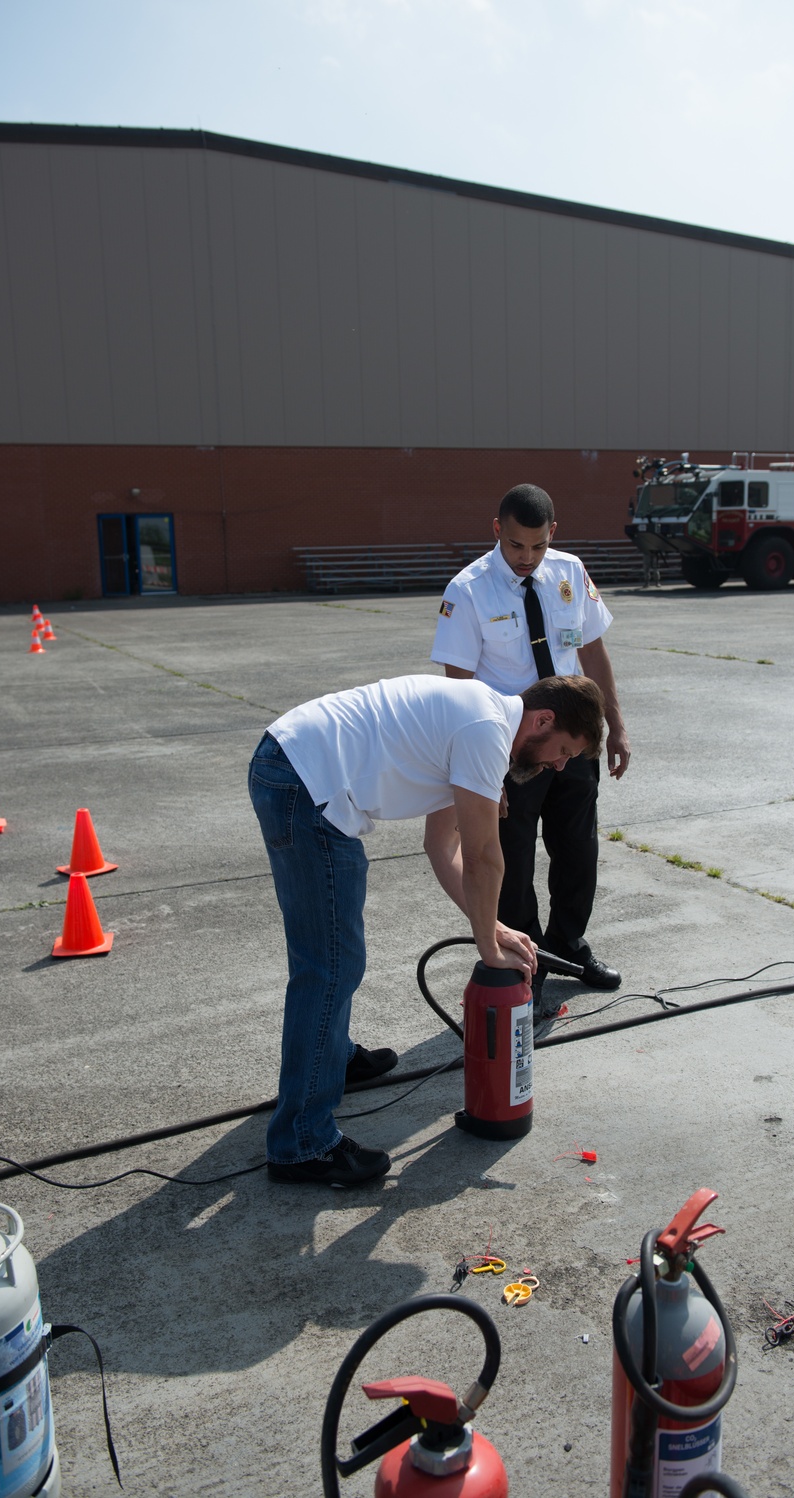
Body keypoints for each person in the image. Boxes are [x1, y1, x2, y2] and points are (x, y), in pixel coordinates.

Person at [249, 672, 605, 1187]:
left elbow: (443, 848)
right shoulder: (484, 729)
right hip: (304, 781)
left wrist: (494, 926)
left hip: (298, 768)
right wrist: (488, 944)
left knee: (331, 952)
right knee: (329, 961)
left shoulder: (479, 724)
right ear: (543, 720)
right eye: (564, 749)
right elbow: (485, 856)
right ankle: (301, 1142)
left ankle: (329, 1058)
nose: (559, 764)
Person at [431, 483, 630, 1005]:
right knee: (512, 857)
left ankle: (570, 942)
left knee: (577, 845)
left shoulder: (568, 572)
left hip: (571, 739)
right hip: (512, 748)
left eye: (538, 545)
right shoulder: (469, 590)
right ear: (497, 530)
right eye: (517, 545)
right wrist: (479, 773)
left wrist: (615, 725)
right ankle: (528, 955)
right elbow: (459, 686)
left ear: (553, 534)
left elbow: (594, 654)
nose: (527, 557)